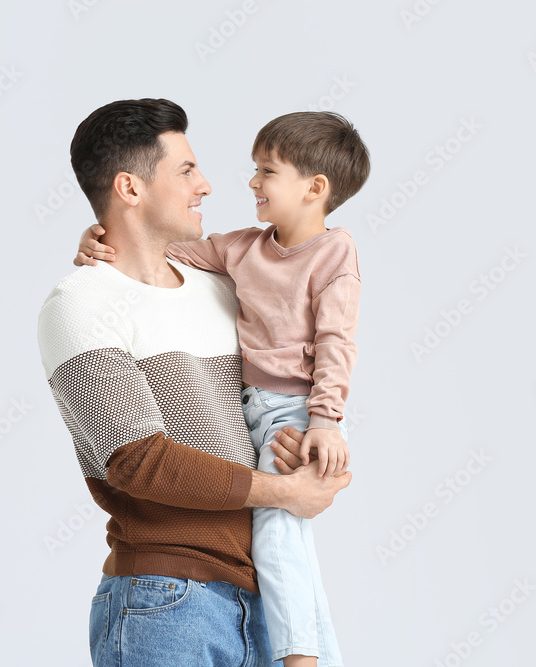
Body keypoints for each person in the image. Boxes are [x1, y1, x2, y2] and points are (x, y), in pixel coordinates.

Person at [37, 98, 350, 667]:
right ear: (129, 189)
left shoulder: (223, 289)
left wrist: (310, 446)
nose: (206, 185)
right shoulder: (81, 305)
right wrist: (286, 493)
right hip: (166, 602)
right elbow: (138, 460)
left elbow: (290, 374)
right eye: (185, 171)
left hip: (259, 603)